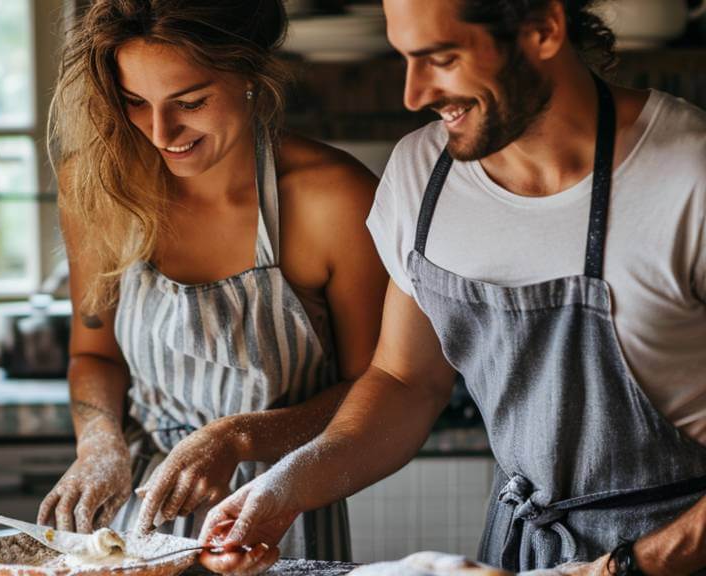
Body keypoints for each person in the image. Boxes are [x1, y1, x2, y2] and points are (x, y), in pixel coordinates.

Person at [200, 0, 706, 574]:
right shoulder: (422, 177)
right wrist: (288, 487)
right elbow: (405, 381)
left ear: (543, 29)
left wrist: (623, 567)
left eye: (440, 58)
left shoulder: (688, 177)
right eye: (406, 59)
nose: (413, 93)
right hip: (525, 554)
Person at [37, 0, 388, 562]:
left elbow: (374, 389)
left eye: (190, 101)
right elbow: (95, 356)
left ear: (250, 74)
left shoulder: (334, 198)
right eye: (135, 102)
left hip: (277, 506)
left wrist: (238, 438)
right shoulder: (97, 184)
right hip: (140, 511)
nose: (160, 131)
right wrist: (99, 445)